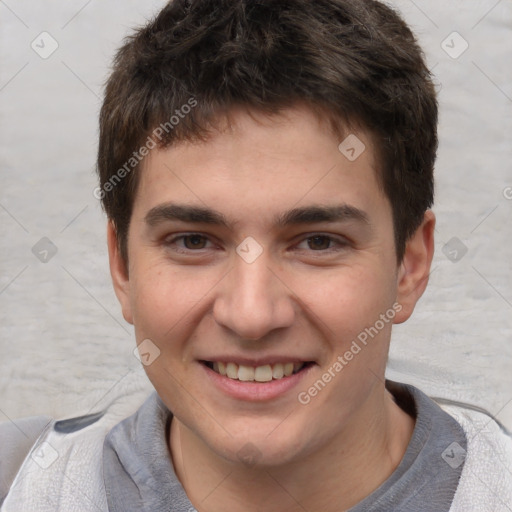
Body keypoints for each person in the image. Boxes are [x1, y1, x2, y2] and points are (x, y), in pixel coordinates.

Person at [1, 0, 511, 510]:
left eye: (318, 242)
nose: (251, 315)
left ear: (410, 265)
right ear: (122, 268)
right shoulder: (19, 484)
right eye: (193, 241)